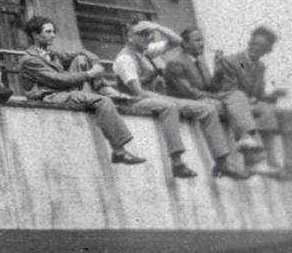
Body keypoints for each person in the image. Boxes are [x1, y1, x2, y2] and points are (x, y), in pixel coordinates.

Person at [114, 19, 247, 180]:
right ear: (130, 37)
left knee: (208, 109)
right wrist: (165, 98)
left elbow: (179, 42)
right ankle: (177, 163)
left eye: (149, 34)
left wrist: (157, 26)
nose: (148, 38)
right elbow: (138, 92)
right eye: (142, 35)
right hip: (134, 100)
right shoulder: (125, 59)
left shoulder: (144, 52)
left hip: (155, 98)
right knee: (170, 106)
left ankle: (222, 161)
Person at [19, 16, 145, 166]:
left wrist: (91, 58)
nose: (53, 35)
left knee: (81, 58)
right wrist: (90, 74)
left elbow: (80, 54)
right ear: (35, 34)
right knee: (102, 101)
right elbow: (57, 80)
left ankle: (103, 88)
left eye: (53, 32)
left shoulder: (52, 54)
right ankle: (119, 150)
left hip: (62, 92)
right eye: (48, 32)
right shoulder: (29, 60)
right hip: (48, 96)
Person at [164, 28, 280, 176]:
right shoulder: (175, 62)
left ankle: (247, 139)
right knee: (234, 99)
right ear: (185, 44)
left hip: (205, 99)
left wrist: (217, 69)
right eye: (197, 40)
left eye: (202, 39)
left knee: (237, 97)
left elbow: (210, 87)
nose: (202, 43)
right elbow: (190, 93)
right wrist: (217, 97)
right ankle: (244, 152)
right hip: (187, 101)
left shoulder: (200, 60)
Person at [212, 24, 292, 177]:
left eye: (261, 47)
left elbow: (258, 93)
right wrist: (254, 100)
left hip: (249, 102)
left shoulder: (260, 66)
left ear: (268, 50)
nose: (255, 48)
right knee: (266, 110)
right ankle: (266, 161)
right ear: (249, 43)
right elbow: (231, 90)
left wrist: (272, 95)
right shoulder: (235, 61)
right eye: (254, 44)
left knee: (288, 114)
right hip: (231, 101)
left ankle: (289, 166)